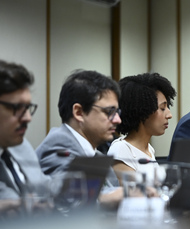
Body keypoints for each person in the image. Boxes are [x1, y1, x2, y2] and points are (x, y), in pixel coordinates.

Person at [35, 70, 123, 205]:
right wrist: (124, 195)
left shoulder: (96, 154)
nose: (117, 120)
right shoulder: (58, 145)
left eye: (117, 112)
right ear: (79, 112)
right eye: (109, 112)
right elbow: (68, 201)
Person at [0, 60, 50, 209]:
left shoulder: (20, 145)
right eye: (18, 108)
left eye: (28, 108)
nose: (28, 117)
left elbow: (44, 187)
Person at [108, 73, 176, 179]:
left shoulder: (149, 149)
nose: (169, 115)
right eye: (162, 109)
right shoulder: (121, 150)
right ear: (142, 112)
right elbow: (134, 193)